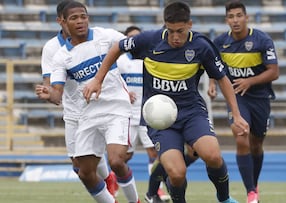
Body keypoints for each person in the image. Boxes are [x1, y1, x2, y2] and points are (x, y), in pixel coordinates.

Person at [83, 1, 249, 203]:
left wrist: (237, 115)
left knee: (213, 156)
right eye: (170, 31)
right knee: (177, 173)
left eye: (180, 31)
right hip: (159, 119)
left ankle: (224, 198)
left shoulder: (201, 46)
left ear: (189, 24)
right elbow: (117, 47)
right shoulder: (149, 40)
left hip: (192, 112)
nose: (175, 37)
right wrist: (98, 80)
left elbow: (222, 78)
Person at [35, 1, 140, 203]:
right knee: (82, 171)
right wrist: (49, 95)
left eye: (83, 16)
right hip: (82, 113)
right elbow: (56, 92)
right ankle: (110, 192)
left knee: (117, 161)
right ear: (62, 22)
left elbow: (132, 45)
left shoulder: (106, 36)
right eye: (74, 18)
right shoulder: (57, 52)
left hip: (115, 108)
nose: (80, 21)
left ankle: (134, 199)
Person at [209, 1, 280, 203]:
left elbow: (274, 72)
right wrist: (212, 83)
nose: (235, 20)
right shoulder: (220, 42)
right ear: (226, 20)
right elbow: (212, 65)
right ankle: (251, 193)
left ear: (246, 17)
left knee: (256, 144)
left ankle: (253, 185)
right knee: (241, 136)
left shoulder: (262, 40)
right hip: (237, 98)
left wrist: (250, 81)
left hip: (260, 98)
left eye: (239, 16)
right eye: (231, 17)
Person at [117, 25, 170, 202]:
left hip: (148, 114)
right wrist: (123, 91)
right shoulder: (121, 61)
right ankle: (116, 182)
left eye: (137, 37)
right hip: (127, 115)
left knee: (154, 154)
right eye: (131, 37)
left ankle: (157, 190)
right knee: (124, 156)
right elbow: (112, 81)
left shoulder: (150, 58)